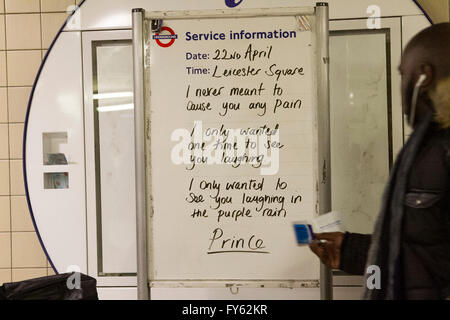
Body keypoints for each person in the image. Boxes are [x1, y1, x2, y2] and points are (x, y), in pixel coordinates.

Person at [309, 23, 450, 300]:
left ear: (424, 76)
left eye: (402, 75)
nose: (401, 90)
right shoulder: (425, 148)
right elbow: (422, 249)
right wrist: (351, 251)